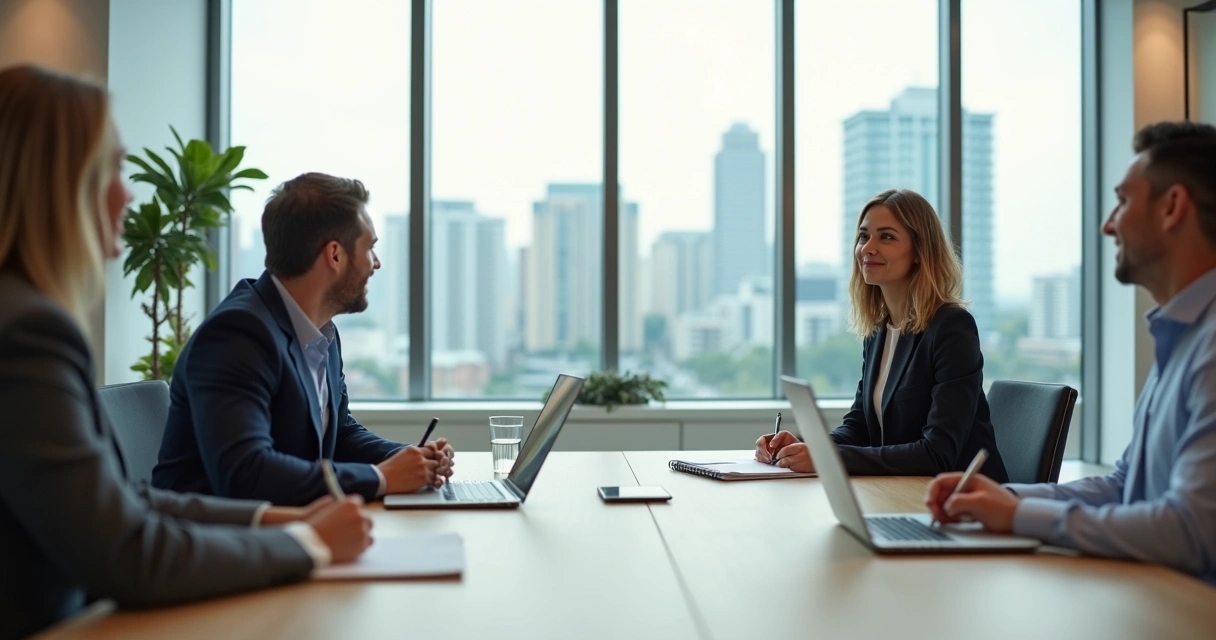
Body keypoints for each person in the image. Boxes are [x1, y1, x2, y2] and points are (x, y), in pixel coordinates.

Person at [0, 65, 374, 640]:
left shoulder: (24, 317)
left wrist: (282, 519)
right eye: (112, 168)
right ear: (57, 182)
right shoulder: (27, 332)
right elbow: (128, 554)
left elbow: (129, 502)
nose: (128, 192)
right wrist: (303, 542)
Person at [926, 121, 1216, 585]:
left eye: (1122, 200)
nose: (1108, 224)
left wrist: (1020, 518)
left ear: (1173, 208)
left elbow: (1193, 530)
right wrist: (1008, 500)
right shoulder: (1179, 336)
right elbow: (1126, 487)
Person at [153, 172, 455, 506]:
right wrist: (383, 477)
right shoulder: (237, 335)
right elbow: (246, 474)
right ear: (335, 255)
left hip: (288, 532)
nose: (376, 263)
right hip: (215, 545)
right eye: (369, 248)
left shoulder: (322, 332)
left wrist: (410, 458)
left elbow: (338, 434)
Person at [756, 189, 1008, 481]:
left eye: (886, 237)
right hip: (905, 494)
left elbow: (938, 453)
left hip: (964, 504)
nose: (868, 248)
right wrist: (806, 447)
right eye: (864, 236)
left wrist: (827, 458)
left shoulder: (952, 328)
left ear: (919, 252)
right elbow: (860, 427)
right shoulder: (879, 331)